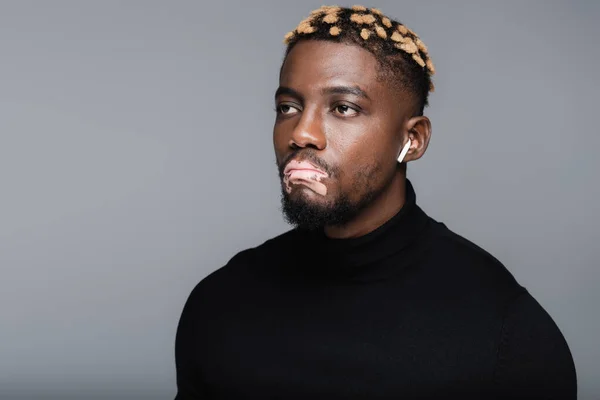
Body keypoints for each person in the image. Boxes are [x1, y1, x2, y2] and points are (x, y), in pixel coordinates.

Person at [174, 5, 577, 399]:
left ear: (412, 140)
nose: (302, 133)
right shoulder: (221, 303)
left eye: (343, 108)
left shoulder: (505, 332)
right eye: (288, 107)